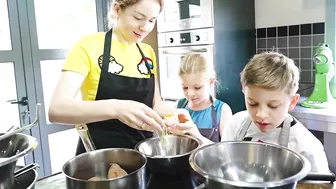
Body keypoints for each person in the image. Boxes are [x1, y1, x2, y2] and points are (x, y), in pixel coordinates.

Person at [48, 0, 177, 155]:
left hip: (144, 154)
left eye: (152, 20)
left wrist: (175, 114)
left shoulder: (147, 53)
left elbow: (155, 105)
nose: (146, 27)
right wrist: (117, 108)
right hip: (100, 158)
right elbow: (57, 109)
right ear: (117, 9)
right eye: (138, 17)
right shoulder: (88, 46)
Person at [172, 51, 330, 173]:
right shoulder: (236, 124)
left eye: (273, 105)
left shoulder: (307, 147)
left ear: (292, 102)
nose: (261, 114)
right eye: (252, 103)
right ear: (244, 92)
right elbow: (224, 167)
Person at [175, 52, 232, 142]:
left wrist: (196, 134)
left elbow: (226, 151)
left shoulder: (222, 110)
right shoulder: (179, 105)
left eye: (197, 88)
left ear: (211, 82)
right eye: (185, 87)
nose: (190, 93)